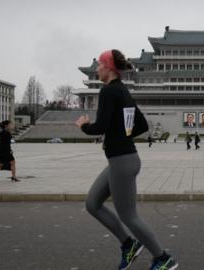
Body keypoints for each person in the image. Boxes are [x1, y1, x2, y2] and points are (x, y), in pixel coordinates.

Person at [75, 49, 177, 270]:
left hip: (123, 161)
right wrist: (121, 133)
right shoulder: (122, 91)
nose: (96, 69)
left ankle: (163, 259)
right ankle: (128, 244)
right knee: (93, 203)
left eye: (99, 65)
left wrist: (83, 125)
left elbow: (99, 127)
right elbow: (141, 125)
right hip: (121, 159)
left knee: (129, 216)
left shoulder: (109, 92)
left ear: (109, 67)